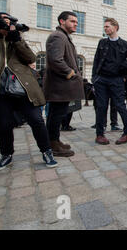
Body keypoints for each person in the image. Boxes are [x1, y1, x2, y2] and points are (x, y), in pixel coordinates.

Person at [0, 12, 57, 169]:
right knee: (4, 124)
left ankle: (47, 151)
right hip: (0, 90)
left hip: (23, 88)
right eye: (4, 22)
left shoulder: (15, 40)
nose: (8, 25)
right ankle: (6, 154)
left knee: (37, 120)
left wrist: (16, 39)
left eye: (10, 22)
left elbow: (30, 58)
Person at [44, 11, 84, 158]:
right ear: (62, 21)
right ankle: (52, 145)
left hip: (61, 86)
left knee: (57, 115)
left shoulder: (64, 36)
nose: (75, 24)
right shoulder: (57, 36)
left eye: (76, 22)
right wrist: (70, 73)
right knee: (55, 116)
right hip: (59, 86)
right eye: (72, 21)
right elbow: (56, 60)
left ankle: (54, 141)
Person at [92, 18, 127, 145]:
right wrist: (94, 78)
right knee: (101, 107)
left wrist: (124, 76)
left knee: (121, 106)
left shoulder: (126, 45)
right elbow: (96, 60)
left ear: (115, 27)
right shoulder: (102, 43)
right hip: (101, 79)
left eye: (107, 26)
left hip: (117, 80)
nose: (105, 29)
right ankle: (99, 134)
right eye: (104, 27)